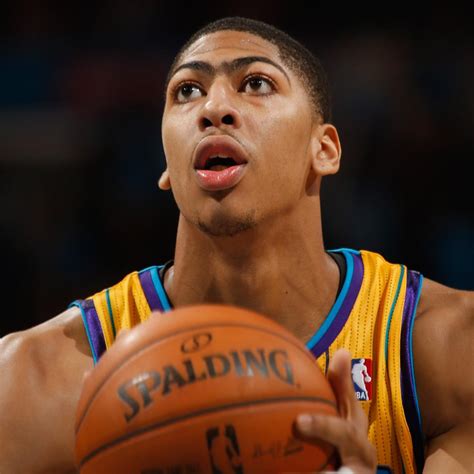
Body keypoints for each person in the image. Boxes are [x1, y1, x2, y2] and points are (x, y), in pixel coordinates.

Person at [0, 17, 472, 474]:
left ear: (324, 149)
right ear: (167, 165)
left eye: (256, 84)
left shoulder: (448, 348)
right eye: (188, 91)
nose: (213, 108)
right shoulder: (31, 382)